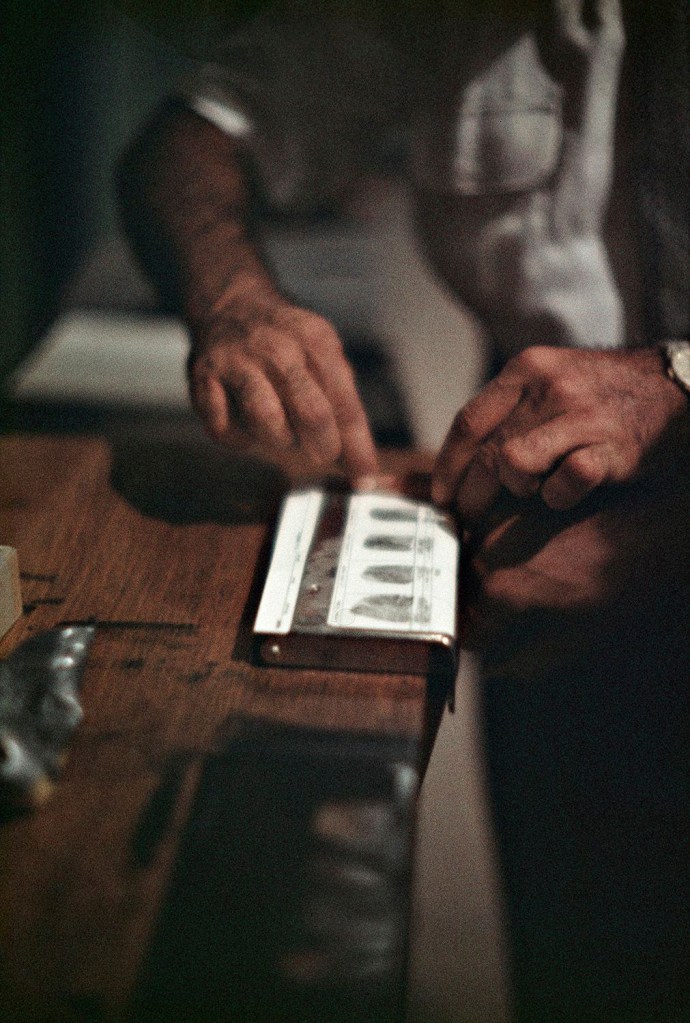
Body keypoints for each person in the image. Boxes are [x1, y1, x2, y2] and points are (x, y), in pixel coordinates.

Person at [119, 4, 688, 1014]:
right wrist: (232, 296)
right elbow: (191, 134)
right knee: (581, 945)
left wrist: (671, 428)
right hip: (534, 491)